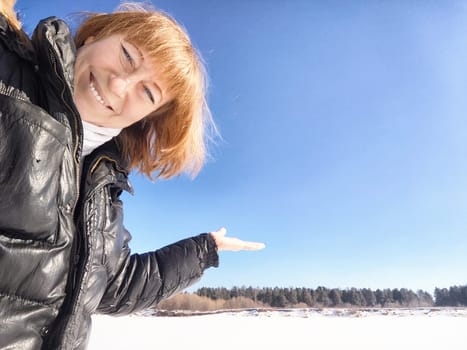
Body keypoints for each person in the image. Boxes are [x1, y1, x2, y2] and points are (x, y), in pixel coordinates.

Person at [0, 1, 265, 349]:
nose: (120, 85)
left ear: (147, 117)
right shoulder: (9, 86)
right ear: (96, 35)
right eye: (127, 55)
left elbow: (116, 284)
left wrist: (203, 251)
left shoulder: (102, 185)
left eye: (148, 92)